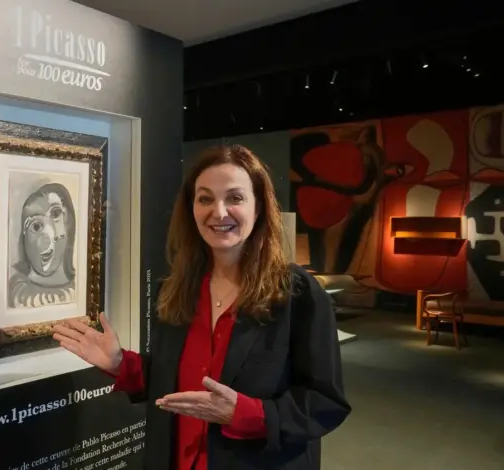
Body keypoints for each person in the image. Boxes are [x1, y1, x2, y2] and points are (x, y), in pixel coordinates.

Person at [53, 145, 350, 470]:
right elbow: (174, 381)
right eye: (205, 199)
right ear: (191, 209)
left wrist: (244, 413)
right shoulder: (176, 289)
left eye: (235, 198)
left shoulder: (296, 292)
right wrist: (120, 364)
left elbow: (325, 403)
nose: (219, 212)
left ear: (259, 207)